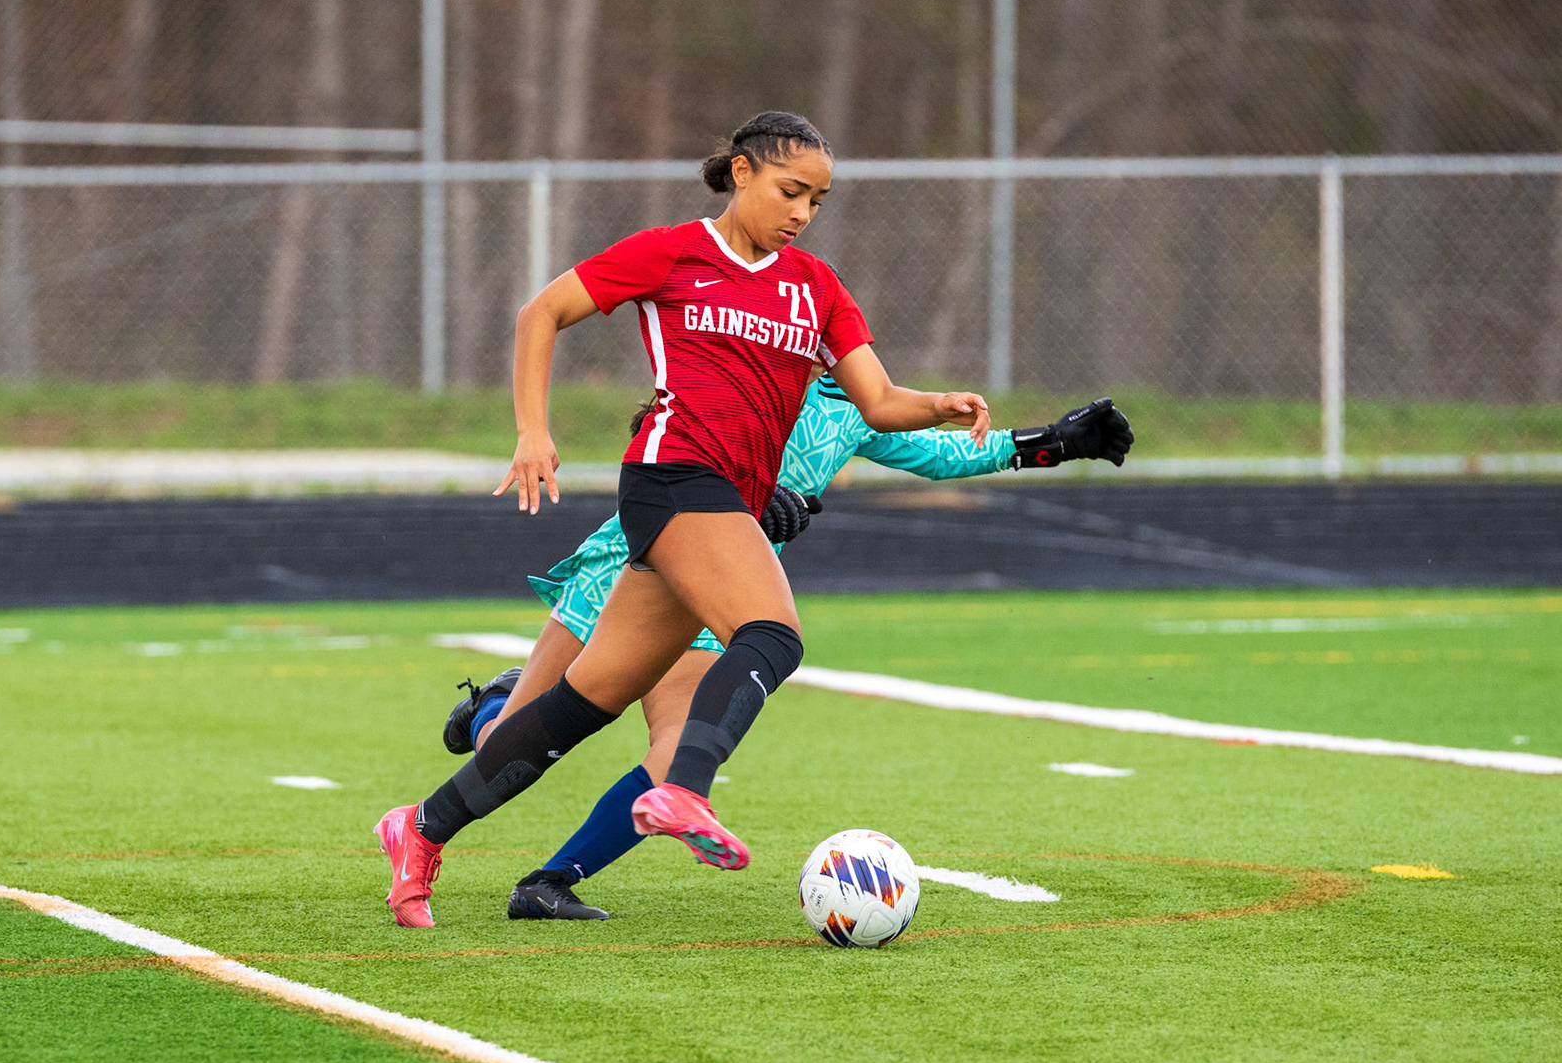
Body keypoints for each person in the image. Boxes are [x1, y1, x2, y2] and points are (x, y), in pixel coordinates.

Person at [374, 110, 994, 928]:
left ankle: (420, 828)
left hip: (723, 501)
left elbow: (877, 401)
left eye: (817, 200)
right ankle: (684, 792)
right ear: (741, 173)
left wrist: (937, 404)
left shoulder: (817, 286)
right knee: (772, 634)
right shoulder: (673, 252)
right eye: (790, 191)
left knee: (583, 702)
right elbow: (540, 313)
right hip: (671, 479)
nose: (803, 212)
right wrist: (532, 430)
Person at [445, 380, 1134, 920]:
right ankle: (494, 708)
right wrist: (742, 495)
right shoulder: (725, 366)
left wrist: (1054, 443)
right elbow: (654, 442)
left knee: (674, 756)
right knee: (505, 747)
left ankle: (549, 883)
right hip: (630, 567)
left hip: (718, 596)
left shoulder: (851, 405)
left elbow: (942, 454)